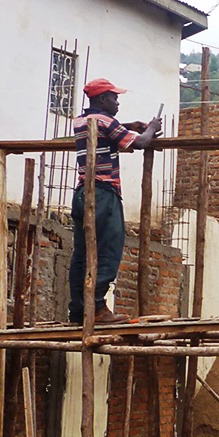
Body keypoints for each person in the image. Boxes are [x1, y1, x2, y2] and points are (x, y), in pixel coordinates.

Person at [69, 77, 161, 325]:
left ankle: (78, 311)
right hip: (103, 194)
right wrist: (151, 128)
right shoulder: (108, 122)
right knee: (108, 250)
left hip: (81, 194)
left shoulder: (81, 121)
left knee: (81, 254)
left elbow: (107, 133)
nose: (117, 102)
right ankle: (97, 308)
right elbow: (141, 142)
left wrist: (129, 125)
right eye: (114, 97)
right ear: (102, 99)